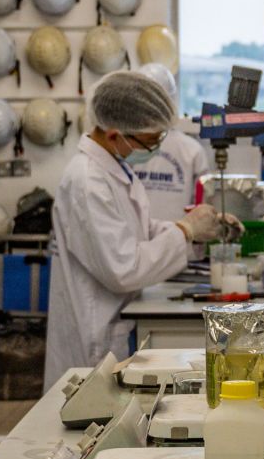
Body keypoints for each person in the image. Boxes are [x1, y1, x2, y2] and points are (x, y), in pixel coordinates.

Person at [44, 71, 235, 385]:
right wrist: (185, 231)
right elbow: (124, 268)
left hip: (113, 319)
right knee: (89, 417)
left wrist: (197, 229)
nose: (156, 148)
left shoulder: (114, 169)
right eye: (149, 141)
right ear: (114, 134)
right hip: (93, 333)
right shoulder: (87, 183)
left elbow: (139, 230)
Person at [129, 63, 215, 225]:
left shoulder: (193, 151)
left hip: (174, 243)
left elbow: (202, 206)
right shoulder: (192, 150)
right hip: (164, 243)